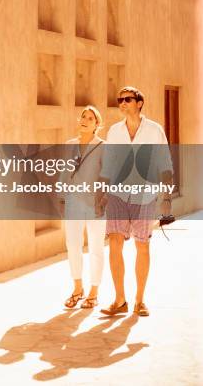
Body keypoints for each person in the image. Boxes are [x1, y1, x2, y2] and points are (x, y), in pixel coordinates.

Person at [98, 86, 173, 317]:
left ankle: (140, 300)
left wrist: (167, 197)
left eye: (127, 99)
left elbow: (165, 163)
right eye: (119, 99)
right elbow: (108, 165)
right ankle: (120, 299)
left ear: (139, 103)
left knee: (142, 245)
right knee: (115, 244)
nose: (122, 103)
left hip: (145, 195)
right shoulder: (114, 131)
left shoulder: (154, 130)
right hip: (118, 195)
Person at [63, 106, 106, 309]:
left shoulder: (103, 146)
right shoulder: (69, 145)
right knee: (73, 245)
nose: (86, 120)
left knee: (96, 247)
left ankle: (94, 291)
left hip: (96, 204)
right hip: (73, 203)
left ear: (97, 124)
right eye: (83, 117)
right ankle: (77, 288)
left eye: (91, 118)